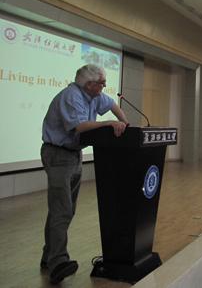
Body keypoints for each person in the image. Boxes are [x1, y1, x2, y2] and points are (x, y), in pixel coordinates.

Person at [41, 64, 128, 284]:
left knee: (64, 209)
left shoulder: (94, 95)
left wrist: (125, 125)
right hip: (58, 154)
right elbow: (79, 126)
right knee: (62, 209)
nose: (104, 86)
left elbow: (112, 105)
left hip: (73, 155)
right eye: (101, 83)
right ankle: (58, 262)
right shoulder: (72, 96)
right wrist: (109, 123)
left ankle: (48, 255)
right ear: (89, 84)